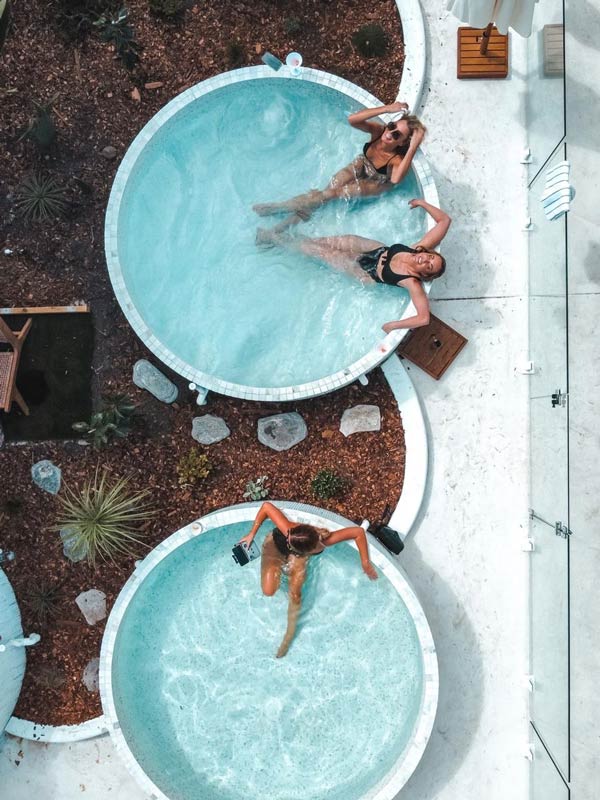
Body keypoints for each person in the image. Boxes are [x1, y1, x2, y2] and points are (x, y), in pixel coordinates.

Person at [256, 198, 451, 332]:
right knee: (323, 242)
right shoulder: (418, 249)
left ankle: (271, 237)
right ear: (427, 253)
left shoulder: (412, 283)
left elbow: (423, 318)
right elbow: (444, 221)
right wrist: (422, 203)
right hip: (375, 249)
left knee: (321, 252)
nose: (426, 261)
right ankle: (277, 236)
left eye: (429, 267)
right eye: (430, 258)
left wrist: (393, 325)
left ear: (425, 274)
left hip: (367, 273)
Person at [252, 101, 427, 231]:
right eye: (391, 126)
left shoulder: (396, 159)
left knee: (332, 193)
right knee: (326, 191)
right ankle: (280, 227)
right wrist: (387, 109)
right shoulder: (379, 131)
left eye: (397, 135)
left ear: (403, 143)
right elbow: (352, 120)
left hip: (378, 182)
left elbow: (395, 179)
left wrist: (413, 147)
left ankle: (278, 208)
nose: (390, 133)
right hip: (363, 163)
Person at [238, 501, 378, 658]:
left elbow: (358, 532)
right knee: (269, 591)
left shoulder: (324, 540)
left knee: (296, 595)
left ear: (309, 551)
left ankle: (288, 636)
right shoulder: (287, 528)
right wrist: (252, 533)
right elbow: (266, 507)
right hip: (275, 546)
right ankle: (280, 568)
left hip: (298, 556)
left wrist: (365, 561)